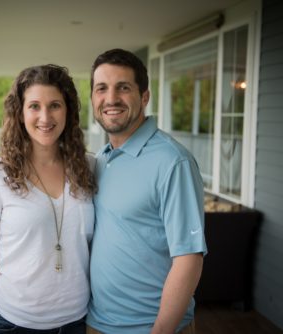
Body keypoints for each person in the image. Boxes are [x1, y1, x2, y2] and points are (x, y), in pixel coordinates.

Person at [0, 64, 97, 334]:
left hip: (77, 319)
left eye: (55, 105)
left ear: (68, 111)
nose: (45, 116)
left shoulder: (90, 167)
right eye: (34, 106)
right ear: (21, 113)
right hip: (12, 321)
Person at [86, 48, 207, 334]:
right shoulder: (101, 160)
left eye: (123, 87)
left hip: (151, 327)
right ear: (92, 98)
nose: (111, 98)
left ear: (144, 97)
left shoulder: (172, 161)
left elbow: (189, 258)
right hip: (96, 323)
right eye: (101, 88)